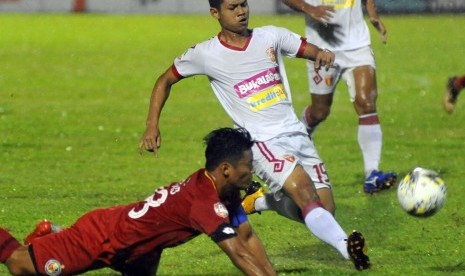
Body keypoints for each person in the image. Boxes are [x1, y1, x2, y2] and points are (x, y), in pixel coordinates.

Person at [139, 0, 370, 270]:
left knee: (325, 210)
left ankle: (260, 201)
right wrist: (152, 125)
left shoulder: (270, 35)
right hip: (261, 142)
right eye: (233, 7)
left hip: (296, 133)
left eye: (244, 5)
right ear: (215, 13)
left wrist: (322, 54)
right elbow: (165, 79)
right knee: (305, 193)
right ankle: (348, 248)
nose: (241, 12)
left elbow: (307, 48)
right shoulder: (205, 53)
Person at [0, 127, 277, 276]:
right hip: (102, 238)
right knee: (18, 264)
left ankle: (48, 238)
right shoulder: (205, 202)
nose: (251, 171)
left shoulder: (224, 190)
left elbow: (246, 236)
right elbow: (238, 254)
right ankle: (46, 241)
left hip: (141, 251)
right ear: (226, 169)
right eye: (248, 165)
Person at [281, 0, 396, 193]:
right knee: (320, 111)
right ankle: (302, 130)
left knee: (366, 103)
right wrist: (310, 9)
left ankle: (372, 174)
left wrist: (373, 16)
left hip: (358, 45)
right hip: (321, 48)